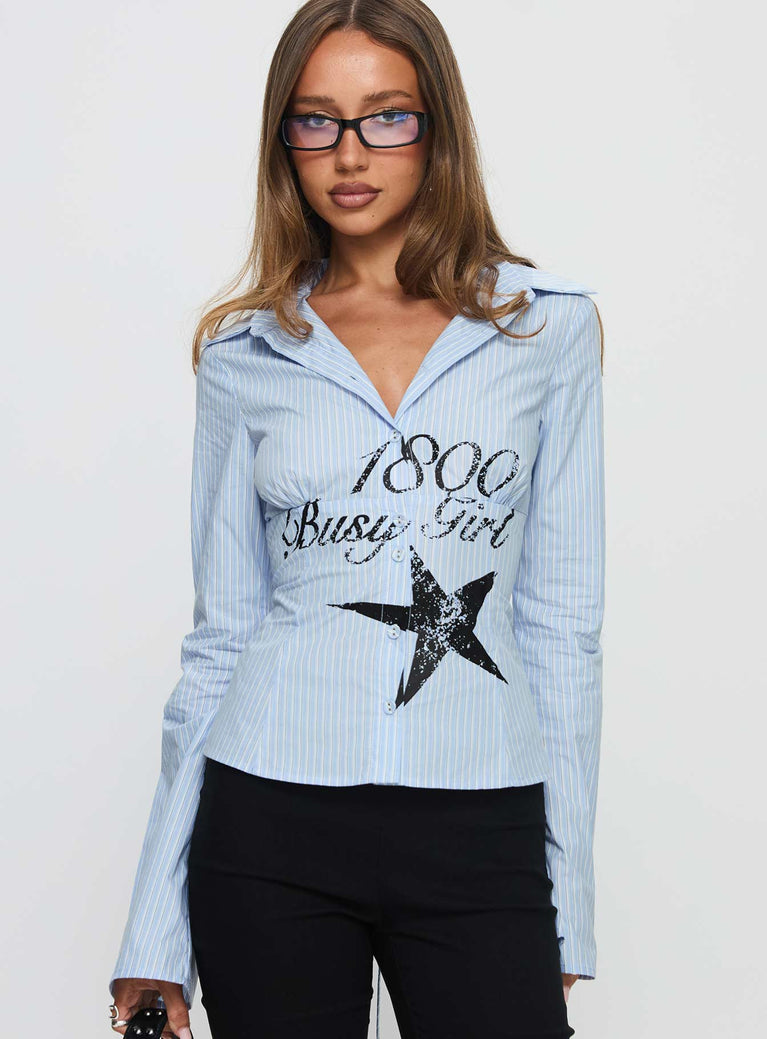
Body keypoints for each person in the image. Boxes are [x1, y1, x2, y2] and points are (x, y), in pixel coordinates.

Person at [107, 2, 605, 1037]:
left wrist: (568, 907)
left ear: (437, 128)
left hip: (480, 822)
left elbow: (561, 628)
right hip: (269, 824)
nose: (347, 153)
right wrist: (153, 933)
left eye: (385, 117)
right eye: (315, 120)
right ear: (281, 139)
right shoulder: (245, 353)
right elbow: (220, 640)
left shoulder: (545, 329)